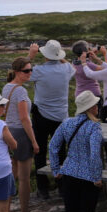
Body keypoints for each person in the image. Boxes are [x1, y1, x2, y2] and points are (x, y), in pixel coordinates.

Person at [49, 91, 104, 212]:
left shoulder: (67, 123)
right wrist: (97, 177)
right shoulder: (94, 127)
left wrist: (56, 169)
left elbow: (53, 146)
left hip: (69, 174)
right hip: (88, 177)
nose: (98, 106)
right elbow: (95, 154)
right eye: (95, 104)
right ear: (90, 108)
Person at [27, 40, 75, 200]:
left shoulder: (38, 71)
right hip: (62, 116)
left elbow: (20, 74)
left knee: (40, 150)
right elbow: (72, 67)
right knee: (60, 151)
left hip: (41, 115)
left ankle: (43, 188)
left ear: (44, 54)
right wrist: (59, 57)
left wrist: (30, 56)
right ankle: (62, 186)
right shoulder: (66, 69)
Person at [2, 57, 42, 212]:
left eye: (31, 70)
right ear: (18, 72)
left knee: (12, 175)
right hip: (21, 134)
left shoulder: (7, 87)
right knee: (24, 179)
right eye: (26, 71)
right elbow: (25, 118)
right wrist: (34, 141)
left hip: (8, 132)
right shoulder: (20, 92)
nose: (30, 73)